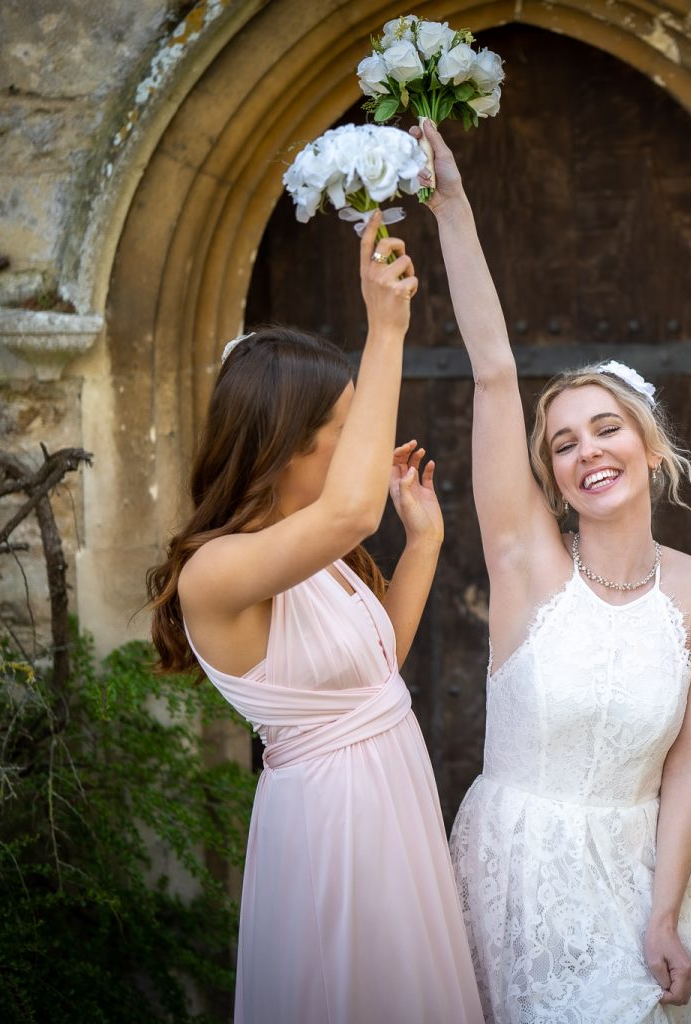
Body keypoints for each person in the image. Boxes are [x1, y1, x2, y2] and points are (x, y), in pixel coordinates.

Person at [415, 118, 691, 1023]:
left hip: (645, 879)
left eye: (605, 429)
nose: (587, 451)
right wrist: (451, 204)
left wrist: (665, 912)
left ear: (649, 446)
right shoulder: (527, 567)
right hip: (516, 872)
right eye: (563, 443)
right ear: (551, 473)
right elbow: (493, 373)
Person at [144, 217, 481, 1023]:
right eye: (345, 430)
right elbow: (355, 511)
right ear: (285, 445)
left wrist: (425, 543)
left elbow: (374, 674)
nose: (363, 446)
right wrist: (387, 328)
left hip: (391, 796)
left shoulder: (311, 552)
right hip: (335, 825)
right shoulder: (217, 571)